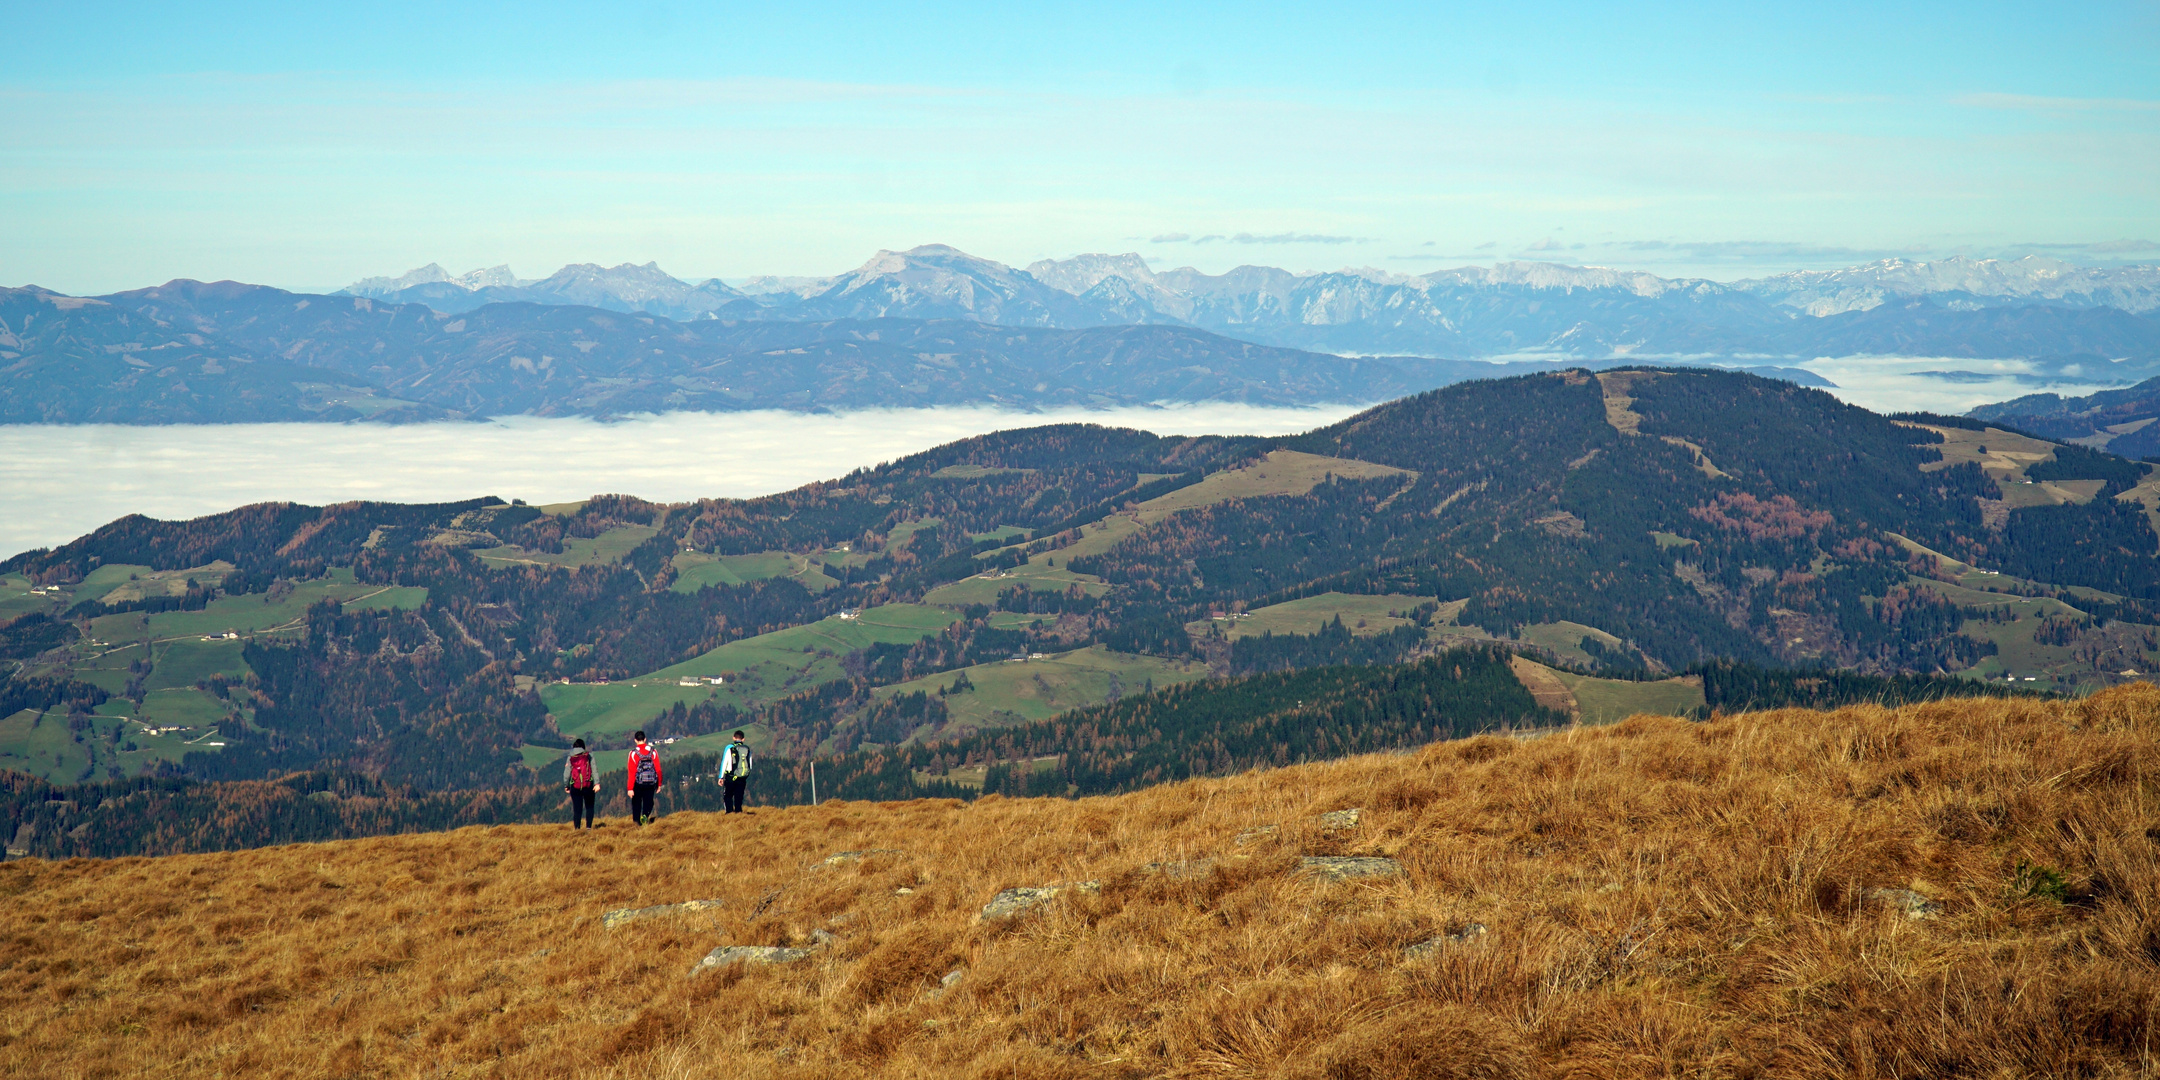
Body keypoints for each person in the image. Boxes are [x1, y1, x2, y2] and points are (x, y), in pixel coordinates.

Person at [626, 731, 663, 826]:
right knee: (649, 802)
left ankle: (636, 823)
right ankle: (645, 816)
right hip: (651, 782)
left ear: (635, 740)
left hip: (638, 783)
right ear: (645, 739)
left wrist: (630, 788)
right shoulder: (653, 751)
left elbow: (631, 772)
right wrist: (659, 784)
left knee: (636, 803)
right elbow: (658, 769)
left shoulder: (633, 753)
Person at [563, 738, 597, 829]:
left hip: (575, 786)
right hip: (588, 785)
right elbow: (594, 770)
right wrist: (597, 783)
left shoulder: (570, 757)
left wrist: (566, 785)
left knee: (577, 809)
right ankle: (588, 827)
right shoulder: (589, 756)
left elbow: (567, 773)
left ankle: (577, 828)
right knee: (589, 806)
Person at [719, 730, 753, 814]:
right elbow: (750, 764)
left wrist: (721, 777)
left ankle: (729, 813)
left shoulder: (729, 748)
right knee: (739, 796)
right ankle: (739, 813)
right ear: (743, 739)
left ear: (734, 738)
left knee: (728, 796)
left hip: (730, 776)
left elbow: (724, 762)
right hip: (742, 777)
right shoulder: (747, 749)